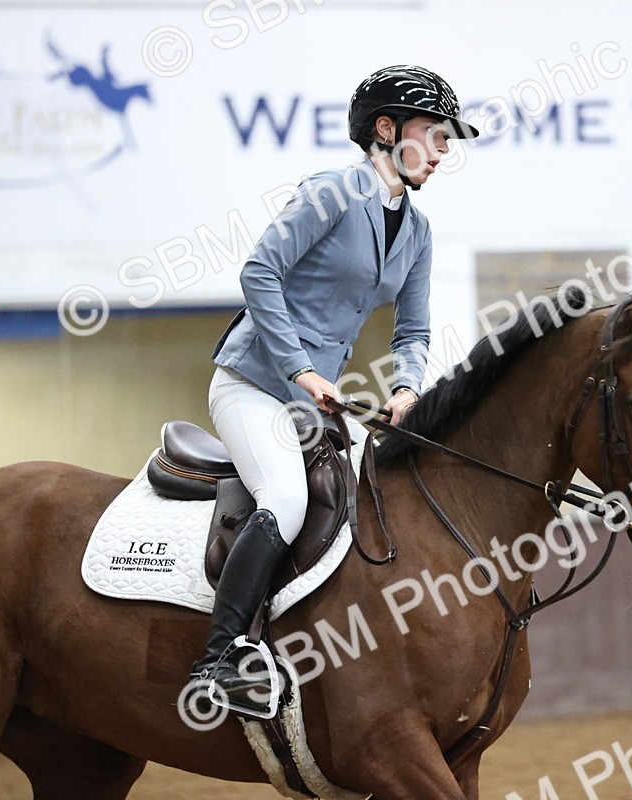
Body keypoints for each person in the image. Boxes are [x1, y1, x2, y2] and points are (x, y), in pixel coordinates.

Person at [191, 65, 479, 715]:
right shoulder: (332, 193)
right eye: (435, 134)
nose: (443, 150)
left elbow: (413, 329)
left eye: (448, 140)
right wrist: (299, 370)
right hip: (253, 383)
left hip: (313, 402)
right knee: (287, 497)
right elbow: (259, 272)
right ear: (388, 130)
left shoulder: (418, 231)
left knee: (373, 498)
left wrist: (406, 389)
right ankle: (220, 657)